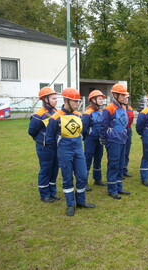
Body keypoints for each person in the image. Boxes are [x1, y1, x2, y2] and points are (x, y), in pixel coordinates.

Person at [46, 88, 95, 216]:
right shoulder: (55, 118)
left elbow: (82, 132)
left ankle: (81, 202)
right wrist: (59, 151)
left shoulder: (79, 115)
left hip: (78, 150)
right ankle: (71, 204)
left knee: (82, 176)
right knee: (67, 178)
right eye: (75, 101)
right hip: (64, 151)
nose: (77, 104)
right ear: (66, 100)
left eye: (78, 102)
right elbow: (50, 138)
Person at [28, 87, 60, 203]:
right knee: (46, 169)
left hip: (56, 146)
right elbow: (32, 131)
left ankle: (52, 192)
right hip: (44, 147)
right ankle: (44, 194)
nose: (56, 100)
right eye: (53, 98)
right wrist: (42, 140)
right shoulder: (38, 115)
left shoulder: (56, 112)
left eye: (56, 98)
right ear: (45, 99)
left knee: (54, 169)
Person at [100, 83, 131, 199]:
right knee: (113, 164)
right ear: (115, 95)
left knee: (120, 163)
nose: (124, 98)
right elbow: (103, 125)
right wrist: (103, 138)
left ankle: (119, 187)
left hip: (122, 138)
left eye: (125, 95)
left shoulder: (122, 107)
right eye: (122, 95)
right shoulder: (109, 109)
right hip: (113, 140)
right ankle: (112, 189)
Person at [82, 90, 106, 192]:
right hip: (90, 140)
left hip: (99, 140)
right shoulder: (87, 113)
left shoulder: (101, 112)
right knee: (87, 160)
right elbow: (83, 128)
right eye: (100, 98)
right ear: (93, 100)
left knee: (98, 159)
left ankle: (97, 179)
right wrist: (87, 138)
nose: (102, 100)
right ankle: (84, 182)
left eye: (102, 98)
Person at [123, 94, 134, 177]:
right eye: (125, 97)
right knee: (121, 152)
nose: (126, 99)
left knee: (127, 151)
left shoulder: (130, 108)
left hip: (129, 130)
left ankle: (124, 169)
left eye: (127, 98)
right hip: (121, 131)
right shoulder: (118, 108)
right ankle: (120, 170)